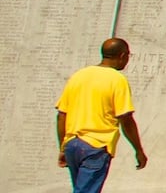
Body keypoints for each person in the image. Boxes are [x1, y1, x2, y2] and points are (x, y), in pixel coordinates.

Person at [55, 38, 148, 193]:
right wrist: (138, 149)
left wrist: (63, 147)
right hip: (96, 146)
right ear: (122, 56)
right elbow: (126, 119)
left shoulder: (78, 76)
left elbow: (61, 115)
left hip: (72, 144)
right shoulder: (117, 80)